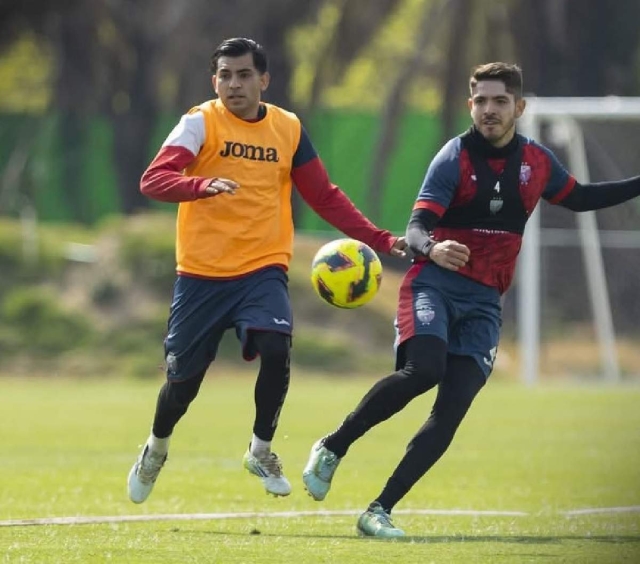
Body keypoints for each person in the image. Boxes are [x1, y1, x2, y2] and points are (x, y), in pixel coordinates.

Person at [302, 62, 640, 538]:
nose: (489, 110)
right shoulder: (453, 157)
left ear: (518, 107)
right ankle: (334, 446)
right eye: (480, 101)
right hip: (433, 285)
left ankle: (378, 510)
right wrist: (433, 248)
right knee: (426, 370)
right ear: (470, 106)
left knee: (452, 408)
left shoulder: (537, 163)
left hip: (484, 300)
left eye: (500, 101)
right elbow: (417, 227)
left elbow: (580, 197)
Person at [127, 37, 406, 504]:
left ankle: (261, 449)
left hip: (263, 268)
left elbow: (323, 195)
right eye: (224, 76)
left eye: (243, 75)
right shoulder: (199, 122)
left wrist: (379, 239)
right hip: (200, 275)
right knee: (181, 387)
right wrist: (200, 183)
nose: (233, 84)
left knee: (277, 348)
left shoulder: (288, 128)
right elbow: (154, 179)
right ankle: (156, 447)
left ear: (264, 80)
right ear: (214, 81)